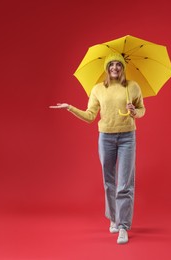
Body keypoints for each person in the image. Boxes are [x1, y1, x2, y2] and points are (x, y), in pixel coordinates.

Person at [50, 52, 145, 244]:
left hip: (128, 137)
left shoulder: (132, 86)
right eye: (111, 65)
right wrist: (70, 108)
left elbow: (141, 109)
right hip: (106, 138)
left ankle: (123, 226)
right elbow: (90, 116)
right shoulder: (98, 89)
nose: (115, 68)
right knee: (109, 182)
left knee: (125, 184)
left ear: (123, 68)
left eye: (118, 65)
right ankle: (113, 218)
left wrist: (135, 112)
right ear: (106, 68)